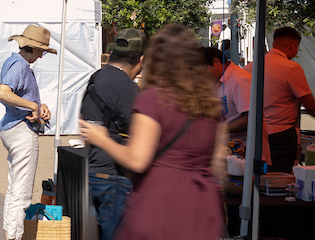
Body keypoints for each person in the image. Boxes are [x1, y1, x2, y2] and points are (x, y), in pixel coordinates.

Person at [80, 24, 227, 240]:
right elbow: (217, 163)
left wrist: (103, 139)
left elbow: (137, 159)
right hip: (201, 205)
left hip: (161, 201)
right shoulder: (211, 105)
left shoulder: (153, 100)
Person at [79, 29, 145, 240]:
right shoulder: (126, 89)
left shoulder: (96, 77)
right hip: (114, 176)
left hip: (92, 170)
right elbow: (141, 134)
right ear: (141, 60)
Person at [0, 25, 55, 240]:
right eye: (41, 51)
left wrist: (38, 105)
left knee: (15, 190)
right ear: (32, 47)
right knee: (21, 194)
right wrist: (32, 106)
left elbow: (12, 94)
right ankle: (13, 237)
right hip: (21, 130)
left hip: (13, 126)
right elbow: (3, 93)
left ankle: (11, 234)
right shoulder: (19, 66)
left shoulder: (15, 63)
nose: (41, 56)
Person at [263, 25, 315, 173]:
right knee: (280, 178)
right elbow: (309, 103)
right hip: (281, 134)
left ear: (273, 44)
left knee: (261, 176)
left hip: (257, 132)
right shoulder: (291, 68)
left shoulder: (252, 66)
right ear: (294, 46)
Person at [200, 46, 250, 138]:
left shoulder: (240, 80)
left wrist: (217, 130)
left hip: (242, 148)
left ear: (216, 62)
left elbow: (249, 119)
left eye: (202, 72)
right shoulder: (217, 80)